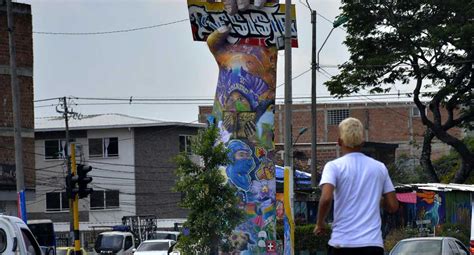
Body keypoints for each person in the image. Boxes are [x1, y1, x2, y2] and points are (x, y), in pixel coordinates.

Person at [313, 117, 399, 255]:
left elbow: (326, 198)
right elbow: (393, 206)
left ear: (339, 142)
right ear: (362, 142)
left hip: (342, 244)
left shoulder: (334, 167)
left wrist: (320, 223)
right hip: (372, 245)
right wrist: (379, 201)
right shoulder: (379, 168)